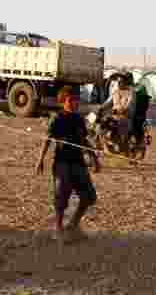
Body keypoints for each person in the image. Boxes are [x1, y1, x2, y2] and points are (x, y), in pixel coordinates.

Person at [36, 87, 99, 243]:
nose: (74, 103)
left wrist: (94, 159)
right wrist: (40, 160)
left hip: (79, 163)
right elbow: (48, 139)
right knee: (61, 197)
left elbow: (84, 141)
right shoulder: (57, 118)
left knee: (89, 197)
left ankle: (73, 225)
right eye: (71, 100)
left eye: (76, 100)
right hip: (62, 163)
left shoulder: (79, 119)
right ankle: (58, 229)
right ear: (62, 101)